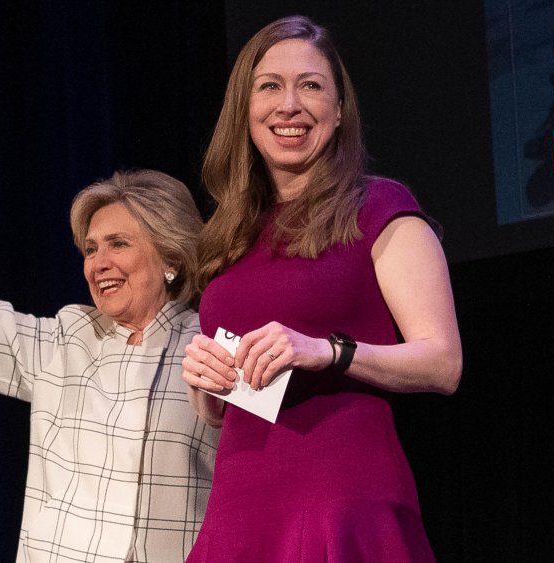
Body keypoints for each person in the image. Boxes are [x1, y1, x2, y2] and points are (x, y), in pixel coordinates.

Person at [0, 123, 219, 562]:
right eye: (90, 250)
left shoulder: (210, 346)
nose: (99, 264)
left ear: (170, 257)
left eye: (118, 244)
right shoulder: (67, 339)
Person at [180, 16, 462, 561]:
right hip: (240, 508)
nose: (289, 105)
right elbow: (227, 408)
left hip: (343, 499)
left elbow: (443, 362)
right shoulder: (228, 237)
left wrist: (326, 351)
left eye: (311, 85)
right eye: (269, 86)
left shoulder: (378, 207)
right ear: (244, 110)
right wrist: (205, 387)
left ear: (338, 112)